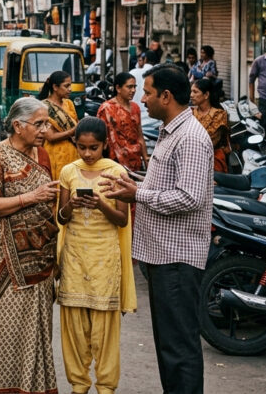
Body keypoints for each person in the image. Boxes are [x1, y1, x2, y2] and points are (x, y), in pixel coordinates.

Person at [100, 64, 213, 394]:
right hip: (163, 256)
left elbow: (189, 197)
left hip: (177, 258)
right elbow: (164, 184)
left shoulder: (190, 138)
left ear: (166, 96)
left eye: (147, 93)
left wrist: (138, 194)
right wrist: (130, 180)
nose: (142, 99)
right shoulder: (171, 132)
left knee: (179, 347)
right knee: (169, 345)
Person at [0, 97, 61, 392]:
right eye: (39, 124)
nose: (45, 130)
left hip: (37, 261)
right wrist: (32, 197)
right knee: (1, 329)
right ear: (18, 126)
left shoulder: (42, 155)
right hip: (1, 258)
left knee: (33, 330)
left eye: (47, 123)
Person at [57, 117, 136, 394]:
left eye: (94, 147)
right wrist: (72, 205)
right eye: (82, 147)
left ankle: (106, 388)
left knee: (105, 331)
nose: (88, 154)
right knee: (74, 329)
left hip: (105, 260)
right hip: (74, 258)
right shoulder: (68, 171)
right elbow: (61, 217)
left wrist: (101, 204)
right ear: (75, 144)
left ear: (104, 145)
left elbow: (122, 220)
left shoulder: (116, 172)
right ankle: (78, 385)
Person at [96, 72, 147, 172]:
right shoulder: (106, 108)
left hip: (135, 162)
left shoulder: (135, 108)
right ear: (118, 88)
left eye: (134, 87)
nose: (133, 90)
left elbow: (140, 136)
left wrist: (146, 159)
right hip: (114, 163)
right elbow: (99, 138)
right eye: (129, 87)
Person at [40, 70, 80, 179]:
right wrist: (72, 132)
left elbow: (76, 123)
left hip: (73, 152)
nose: (70, 89)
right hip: (55, 154)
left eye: (70, 85)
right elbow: (50, 136)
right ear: (55, 87)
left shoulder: (69, 103)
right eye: (66, 86)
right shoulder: (44, 107)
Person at [192, 78, 231, 173]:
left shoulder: (219, 115)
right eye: (191, 91)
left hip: (212, 161)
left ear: (206, 95)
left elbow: (210, 141)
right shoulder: (191, 113)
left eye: (195, 92)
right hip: (191, 158)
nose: (191, 95)